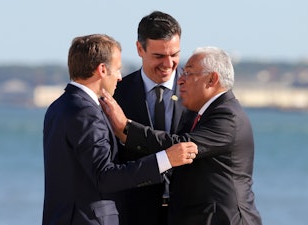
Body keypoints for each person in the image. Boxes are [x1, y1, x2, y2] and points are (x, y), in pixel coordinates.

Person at [42, 34, 198, 225]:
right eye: (117, 69)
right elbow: (104, 176)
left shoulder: (59, 106)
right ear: (102, 69)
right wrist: (165, 159)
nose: (119, 77)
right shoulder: (85, 112)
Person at [101, 46, 263, 225]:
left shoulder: (227, 116)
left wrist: (126, 128)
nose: (180, 81)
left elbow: (181, 146)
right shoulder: (207, 113)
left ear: (212, 79)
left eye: (188, 73)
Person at [112, 11, 196, 225]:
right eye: (159, 56)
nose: (168, 64)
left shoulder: (198, 92)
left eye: (175, 54)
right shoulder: (116, 94)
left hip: (188, 213)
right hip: (133, 214)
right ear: (140, 49)